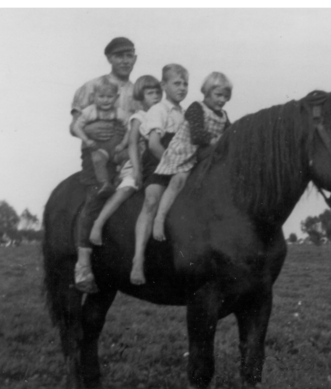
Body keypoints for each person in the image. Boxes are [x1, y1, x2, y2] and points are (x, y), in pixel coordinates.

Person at [71, 37, 139, 294]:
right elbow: (74, 126)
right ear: (109, 58)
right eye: (118, 55)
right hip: (96, 155)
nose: (124, 60)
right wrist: (90, 129)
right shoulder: (91, 87)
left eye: (129, 55)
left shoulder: (138, 91)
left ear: (135, 58)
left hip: (126, 155)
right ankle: (83, 264)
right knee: (94, 198)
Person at [152, 72, 232, 241]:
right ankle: (160, 217)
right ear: (206, 93)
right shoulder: (196, 108)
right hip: (186, 151)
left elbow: (230, 133)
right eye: (218, 95)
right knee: (178, 180)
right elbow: (196, 135)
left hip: (206, 154)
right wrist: (216, 139)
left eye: (226, 96)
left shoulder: (224, 116)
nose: (222, 100)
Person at [130, 64, 188, 285]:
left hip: (179, 164)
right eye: (177, 83)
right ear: (164, 86)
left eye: (185, 84)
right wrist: (173, 166)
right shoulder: (159, 110)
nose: (182, 88)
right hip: (157, 162)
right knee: (152, 198)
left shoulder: (184, 113)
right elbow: (154, 145)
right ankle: (138, 259)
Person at [89, 75, 163, 246]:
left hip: (156, 165)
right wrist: (137, 170)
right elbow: (132, 144)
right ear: (140, 97)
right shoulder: (140, 116)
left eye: (158, 93)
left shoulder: (162, 114)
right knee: (128, 188)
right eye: (150, 93)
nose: (156, 97)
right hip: (137, 161)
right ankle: (98, 223)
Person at [71, 77, 131, 198]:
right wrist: (87, 140)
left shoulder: (119, 112)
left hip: (116, 150)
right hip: (100, 149)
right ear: (93, 97)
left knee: (129, 155)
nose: (105, 100)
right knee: (97, 160)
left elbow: (130, 127)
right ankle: (105, 184)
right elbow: (76, 127)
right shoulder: (90, 112)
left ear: (116, 97)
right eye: (101, 96)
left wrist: (123, 144)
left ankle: (120, 178)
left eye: (109, 97)